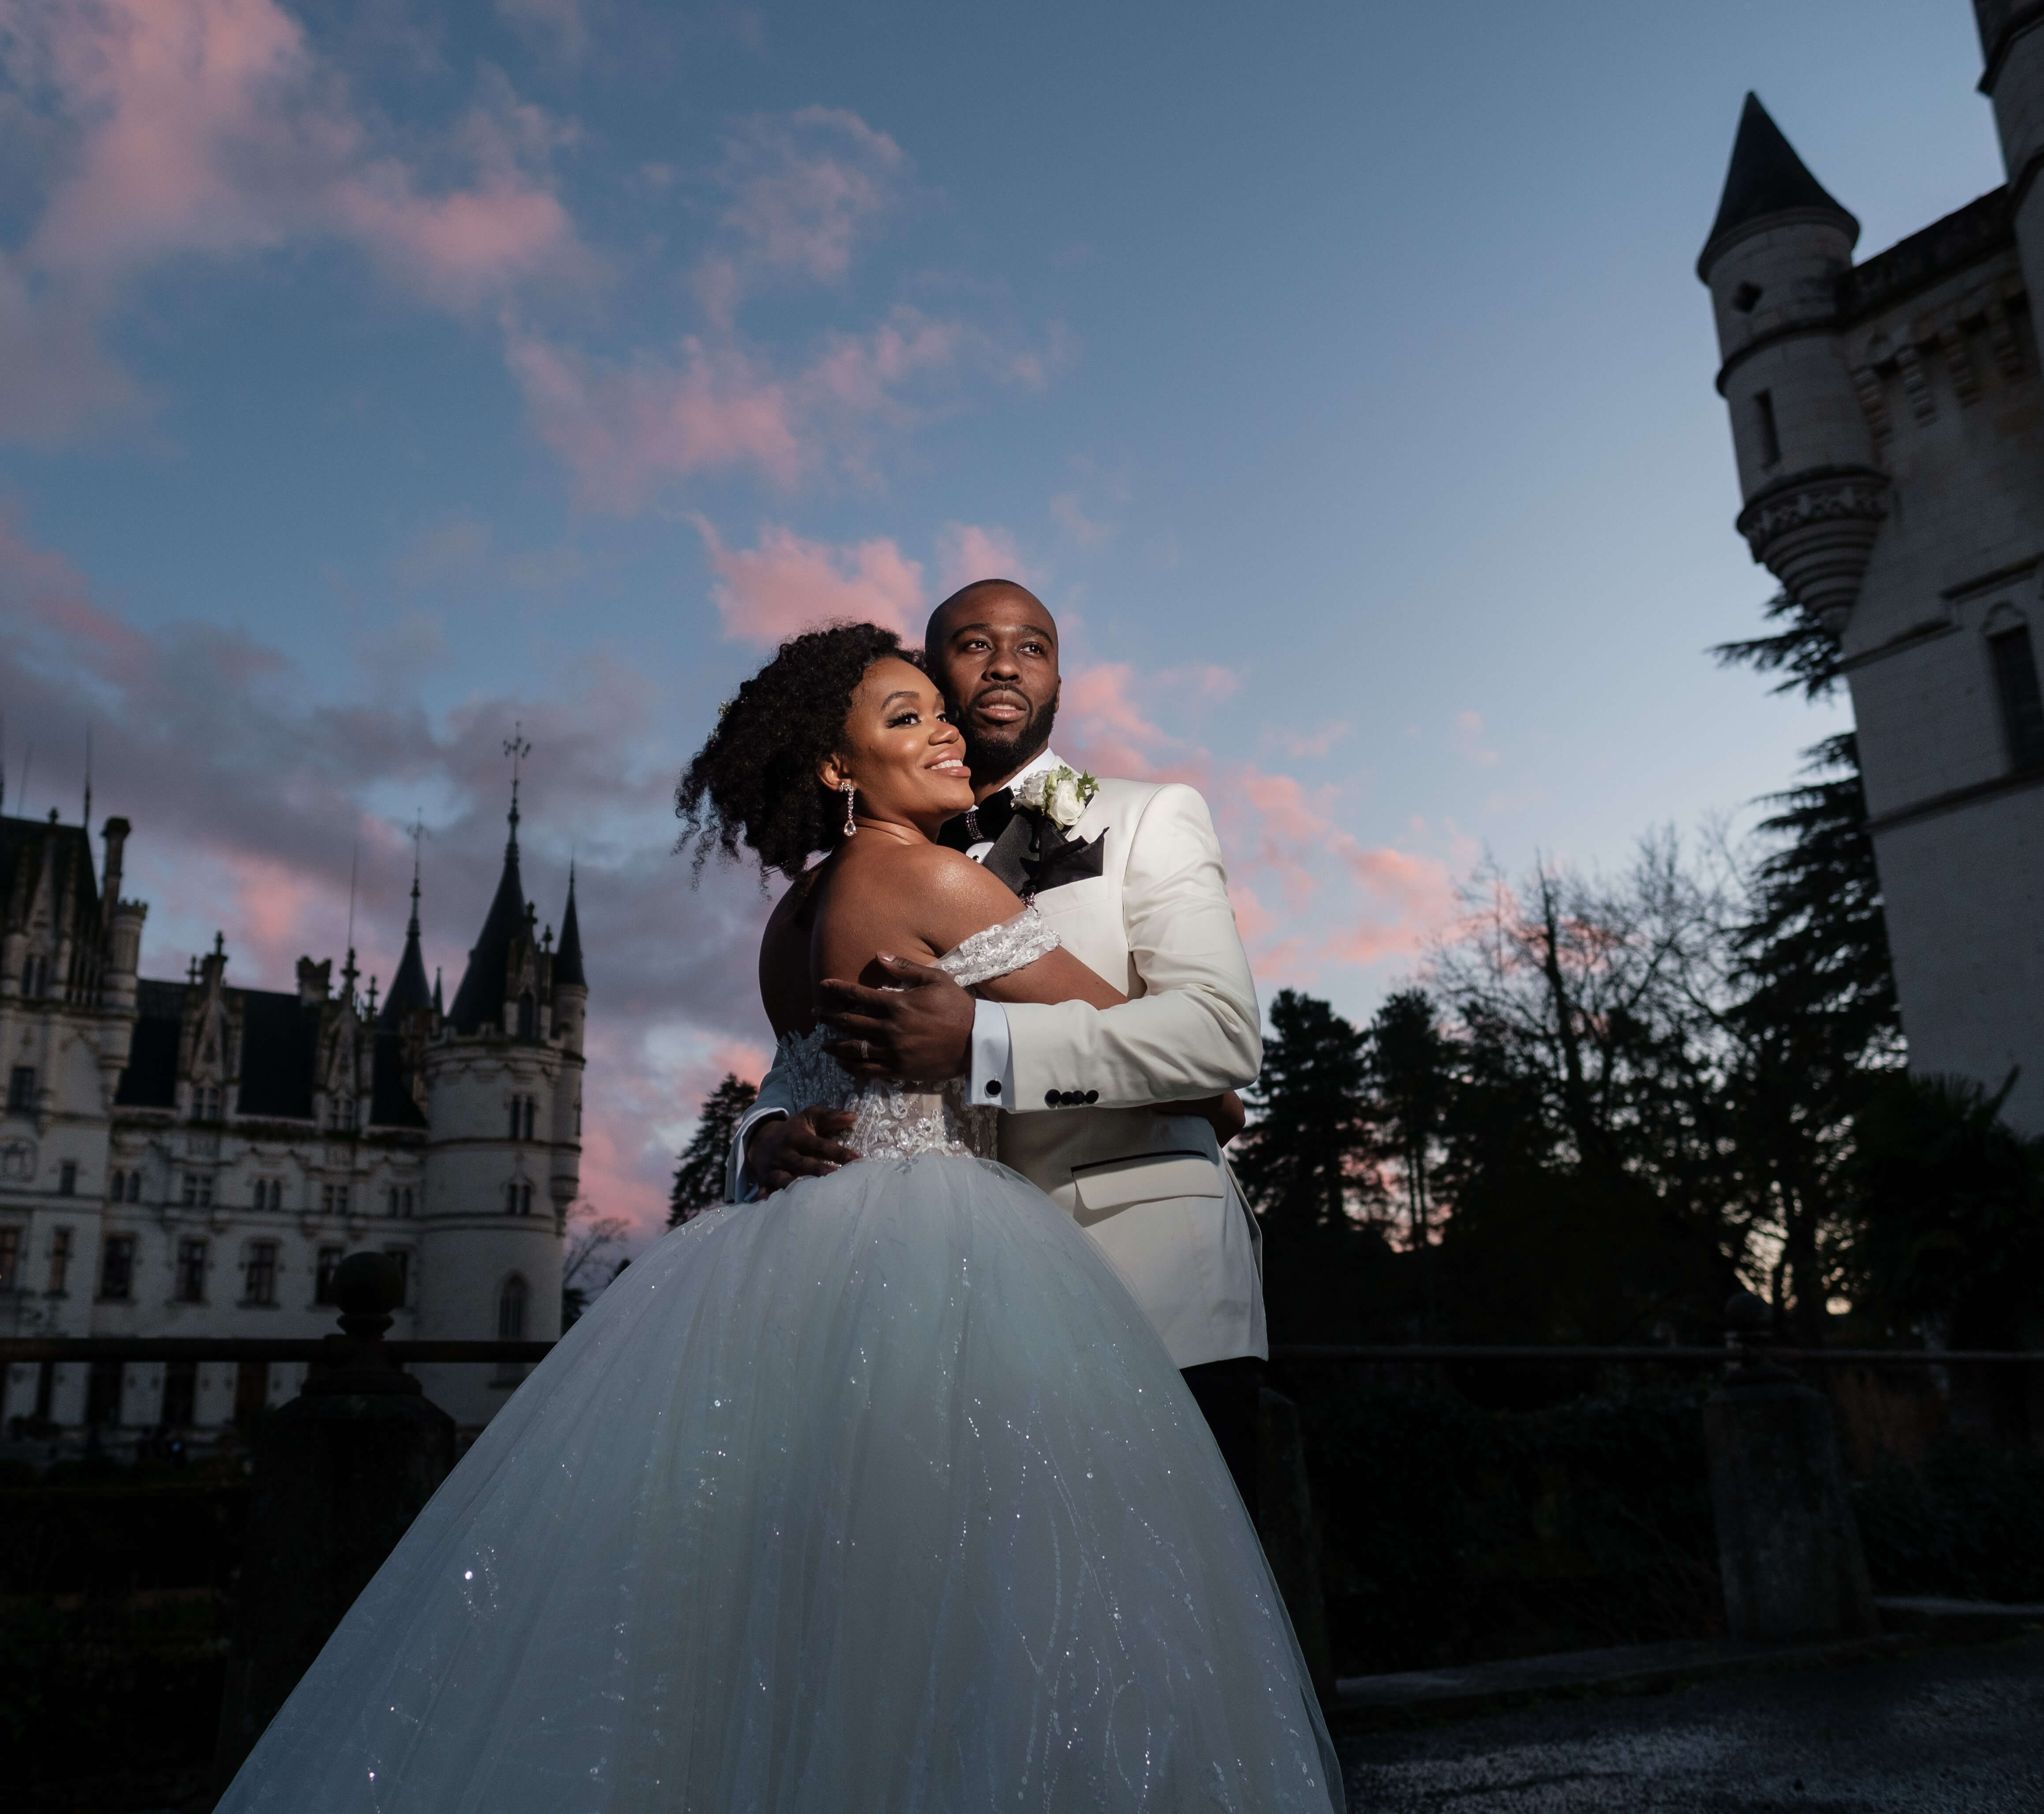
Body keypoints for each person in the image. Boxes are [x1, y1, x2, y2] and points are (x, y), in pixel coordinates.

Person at [215, 624, 1341, 1813]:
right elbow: (1201, 1076)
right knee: (981, 1607)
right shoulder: (932, 878)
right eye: (904, 718)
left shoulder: (790, 919)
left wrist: (762, 1141)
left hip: (794, 1251)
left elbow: (800, 1084)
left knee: (780, 1616)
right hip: (939, 1245)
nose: (944, 729)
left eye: (937, 713)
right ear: (835, 769)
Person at [737, 580, 1273, 1497]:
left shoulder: (1148, 813)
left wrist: (983, 1042)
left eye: (1033, 647)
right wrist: (764, 1137)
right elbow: (817, 1053)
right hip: (956, 1296)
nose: (1005, 665)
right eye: (974, 645)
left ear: (1059, 676)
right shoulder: (884, 869)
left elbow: (1220, 1037)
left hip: (1145, 1281)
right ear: (931, 668)